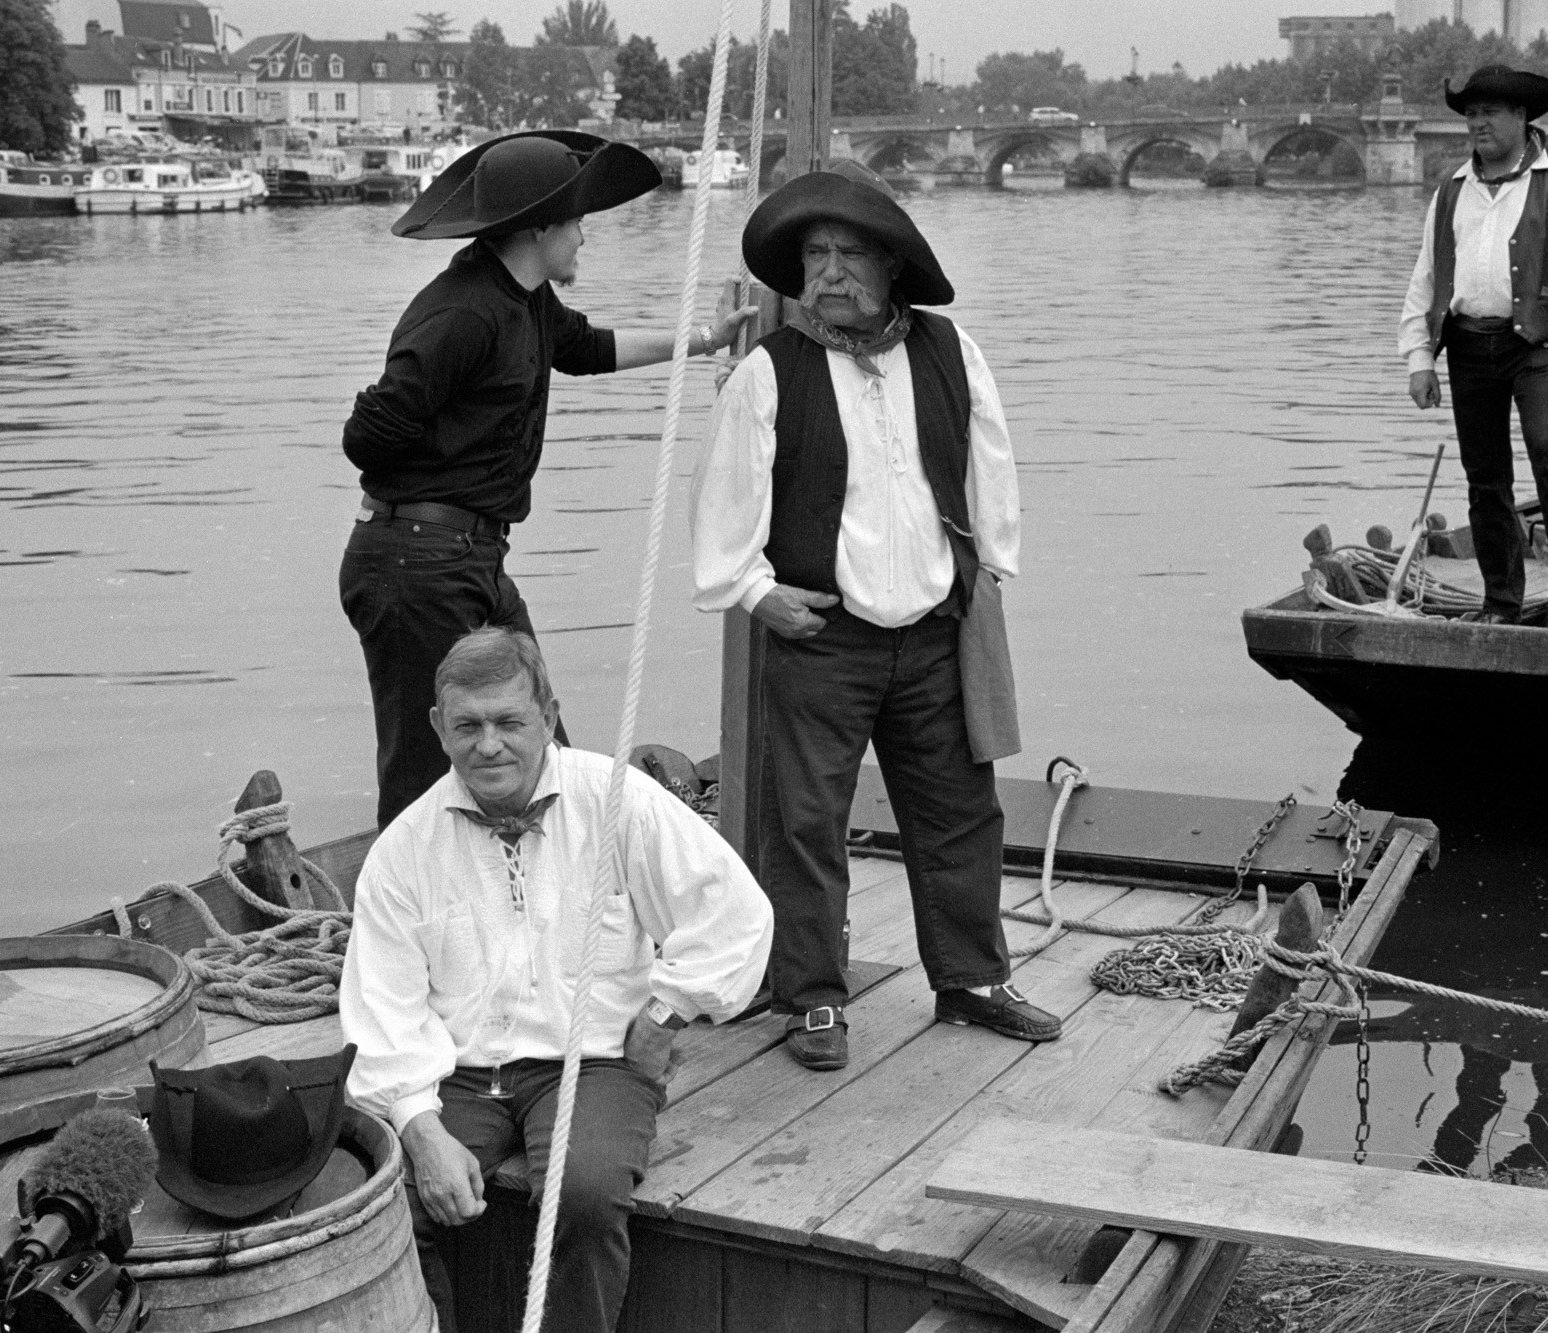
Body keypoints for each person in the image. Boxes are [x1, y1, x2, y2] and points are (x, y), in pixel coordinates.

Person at [689, 163, 1059, 1072]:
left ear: (892, 267)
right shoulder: (767, 374)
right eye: (816, 255)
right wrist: (755, 592)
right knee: (806, 822)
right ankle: (813, 996)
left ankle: (971, 977)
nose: (831, 273)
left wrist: (989, 574)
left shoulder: (947, 351)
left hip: (935, 630)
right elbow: (724, 512)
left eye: (852, 253)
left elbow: (989, 466)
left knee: (960, 810)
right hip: (824, 637)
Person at [338, 626, 773, 1332]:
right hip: (458, 1073)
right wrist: (419, 1129)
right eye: (468, 725)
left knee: (585, 1193)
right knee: (384, 1203)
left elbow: (734, 912)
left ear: (548, 712)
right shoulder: (403, 850)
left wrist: (668, 1010)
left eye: (510, 721)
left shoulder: (617, 799)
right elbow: (383, 1004)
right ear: (436, 727)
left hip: (595, 1061)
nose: (489, 745)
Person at [341, 130, 754, 827]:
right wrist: (426, 477)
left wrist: (705, 340)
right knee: (427, 768)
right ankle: (405, 924)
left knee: (534, 734)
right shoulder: (461, 313)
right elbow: (366, 434)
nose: (584, 237)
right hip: (413, 562)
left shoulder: (524, 295)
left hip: (470, 556)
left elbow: (585, 349)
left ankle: (542, 901)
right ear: (537, 229)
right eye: (576, 222)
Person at [1398, 66, 1548, 634]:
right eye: (1471, 113)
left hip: (1541, 344)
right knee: (1485, 476)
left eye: (1490, 112)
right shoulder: (1451, 190)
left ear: (1523, 119)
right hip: (1469, 347)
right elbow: (1426, 281)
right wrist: (1419, 358)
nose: (1477, 122)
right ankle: (1501, 600)